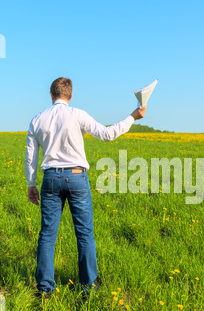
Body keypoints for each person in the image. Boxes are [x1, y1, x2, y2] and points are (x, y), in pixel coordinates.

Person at [25, 77, 146, 297]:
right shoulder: (78, 114)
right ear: (70, 96)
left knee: (47, 235)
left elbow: (30, 157)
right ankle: (88, 287)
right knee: (84, 234)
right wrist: (133, 116)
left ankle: (44, 289)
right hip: (77, 177)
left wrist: (31, 184)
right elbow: (108, 135)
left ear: (51, 95)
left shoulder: (37, 119)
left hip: (50, 178)